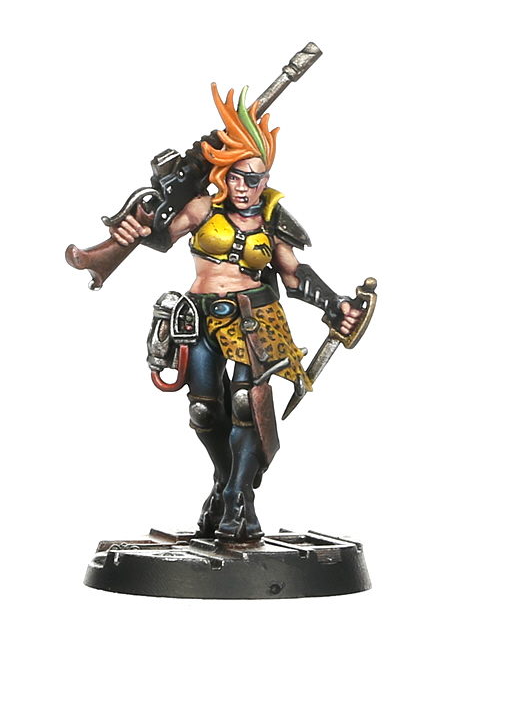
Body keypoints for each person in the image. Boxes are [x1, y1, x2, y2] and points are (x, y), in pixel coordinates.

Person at [109, 84, 362, 542]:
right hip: (199, 316)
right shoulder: (202, 208)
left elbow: (293, 274)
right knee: (204, 411)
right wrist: (135, 229)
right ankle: (226, 479)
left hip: (253, 319)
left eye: (257, 179)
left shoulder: (271, 217)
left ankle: (238, 496)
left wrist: (335, 304)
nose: (248, 187)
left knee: (247, 404)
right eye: (240, 177)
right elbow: (161, 236)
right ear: (223, 174)